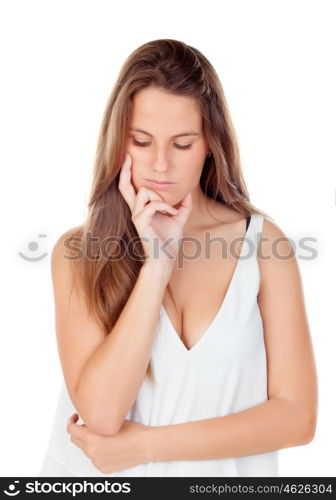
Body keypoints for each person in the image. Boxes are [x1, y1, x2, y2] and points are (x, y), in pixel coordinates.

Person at [39, 38, 318, 477]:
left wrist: (146, 446)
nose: (161, 165)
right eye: (142, 141)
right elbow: (103, 414)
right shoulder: (77, 253)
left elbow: (297, 418)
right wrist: (158, 262)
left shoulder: (263, 246)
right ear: (118, 142)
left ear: (211, 143)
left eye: (183, 144)